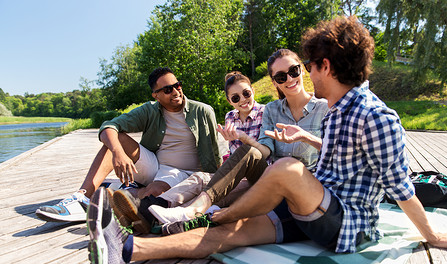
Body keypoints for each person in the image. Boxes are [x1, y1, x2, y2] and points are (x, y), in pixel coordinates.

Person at [86, 16, 447, 264]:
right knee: (231, 234)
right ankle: (126, 250)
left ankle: (205, 212)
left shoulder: (375, 115)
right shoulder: (337, 110)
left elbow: (400, 186)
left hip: (348, 225)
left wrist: (432, 235)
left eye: (305, 65)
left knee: (286, 171)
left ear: (323, 66)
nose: (297, 74)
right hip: (310, 207)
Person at [116, 50, 329, 228]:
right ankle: (151, 210)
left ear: (302, 68)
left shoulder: (324, 107)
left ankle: (167, 212)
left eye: (293, 71)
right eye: (282, 77)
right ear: (274, 82)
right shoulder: (273, 110)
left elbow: (337, 152)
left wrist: (306, 137)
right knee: (207, 176)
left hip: (305, 185)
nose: (290, 79)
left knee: (221, 185)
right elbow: (265, 151)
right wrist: (246, 139)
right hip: (268, 177)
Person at [35, 67, 222, 224]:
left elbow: (214, 151)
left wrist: (221, 181)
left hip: (185, 173)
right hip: (155, 165)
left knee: (155, 193)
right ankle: (83, 197)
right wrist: (118, 153)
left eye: (177, 85)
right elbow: (108, 126)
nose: (175, 92)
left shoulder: (203, 111)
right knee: (115, 140)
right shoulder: (149, 110)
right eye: (167, 90)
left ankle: (116, 195)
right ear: (156, 95)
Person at [111, 71, 266, 231]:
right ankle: (148, 213)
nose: (242, 99)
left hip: (259, 176)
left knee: (212, 196)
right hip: (235, 176)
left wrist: (244, 138)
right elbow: (227, 154)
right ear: (229, 101)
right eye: (235, 98)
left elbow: (266, 153)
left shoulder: (266, 113)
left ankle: (146, 213)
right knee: (199, 179)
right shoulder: (231, 117)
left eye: (246, 93)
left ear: (253, 91)